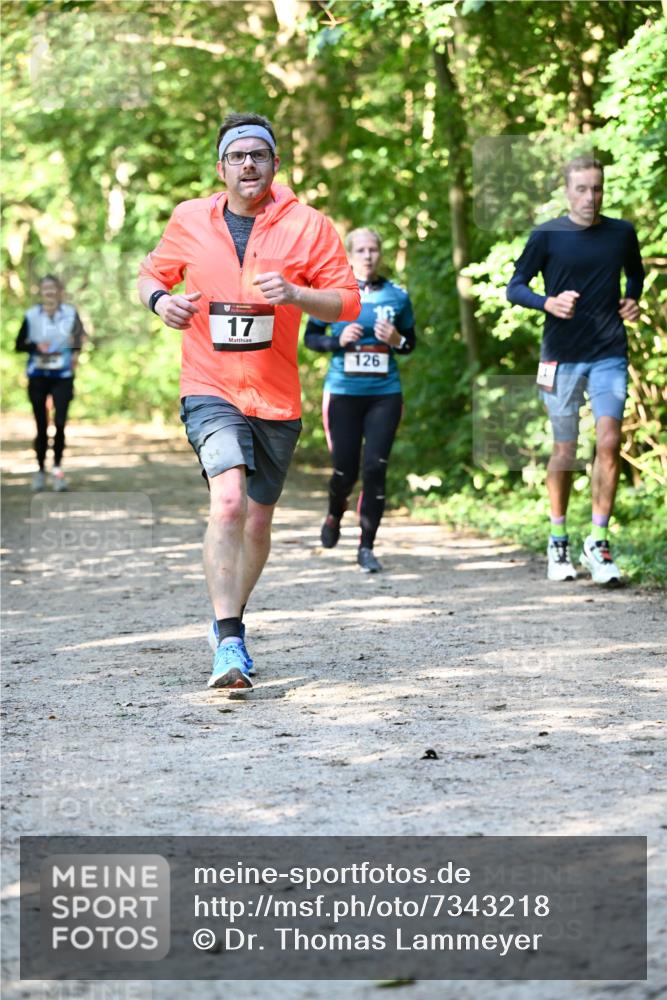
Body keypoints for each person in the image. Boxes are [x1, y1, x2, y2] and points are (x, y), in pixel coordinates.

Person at [137, 112, 360, 691]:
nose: (248, 165)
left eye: (259, 154)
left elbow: (347, 303)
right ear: (222, 167)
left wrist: (297, 293)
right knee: (229, 500)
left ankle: (228, 615)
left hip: (277, 393)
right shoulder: (190, 218)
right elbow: (150, 275)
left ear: (275, 164)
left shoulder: (308, 226)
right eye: (237, 156)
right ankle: (230, 639)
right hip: (209, 386)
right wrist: (162, 303)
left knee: (258, 519)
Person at [506, 155, 644, 585]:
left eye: (597, 188)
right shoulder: (547, 235)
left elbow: (635, 275)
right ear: (566, 191)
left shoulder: (621, 233)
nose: (590, 197)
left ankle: (598, 542)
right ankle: (558, 538)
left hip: (608, 353)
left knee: (609, 441)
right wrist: (546, 302)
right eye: (582, 189)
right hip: (561, 357)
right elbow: (515, 287)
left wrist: (631, 299)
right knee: (565, 450)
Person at [304, 228, 416, 573]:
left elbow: (410, 344)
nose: (368, 255)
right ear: (350, 255)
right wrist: (338, 341)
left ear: (380, 254)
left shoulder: (397, 296)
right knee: (344, 470)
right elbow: (310, 338)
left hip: (384, 393)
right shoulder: (333, 293)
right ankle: (335, 513)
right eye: (361, 250)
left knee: (375, 467)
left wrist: (396, 338)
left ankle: (366, 547)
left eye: (373, 250)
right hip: (343, 394)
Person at [15, 275, 85, 492]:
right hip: (38, 376)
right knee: (41, 426)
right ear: (41, 292)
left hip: (62, 376)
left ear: (59, 291)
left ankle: (57, 471)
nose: (49, 292)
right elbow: (19, 344)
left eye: (53, 288)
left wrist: (74, 355)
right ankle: (40, 471)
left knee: (61, 423)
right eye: (45, 289)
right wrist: (36, 347)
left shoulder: (71, 314)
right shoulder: (31, 315)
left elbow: (78, 339)